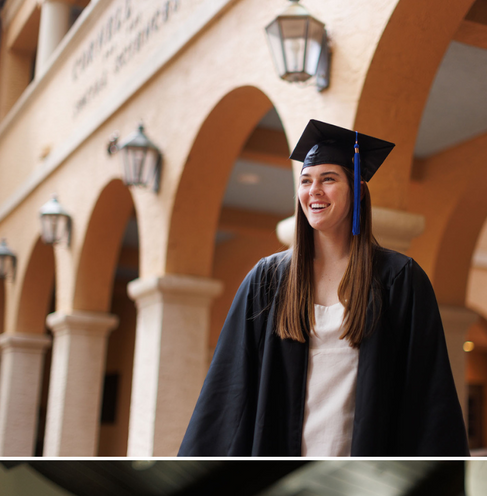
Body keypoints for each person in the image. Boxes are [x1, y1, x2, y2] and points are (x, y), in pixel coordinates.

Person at [179, 120, 469, 456]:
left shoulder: (398, 279)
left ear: (358, 190)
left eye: (328, 179)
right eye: (306, 181)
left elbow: (428, 395)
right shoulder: (268, 280)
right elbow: (229, 386)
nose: (314, 190)